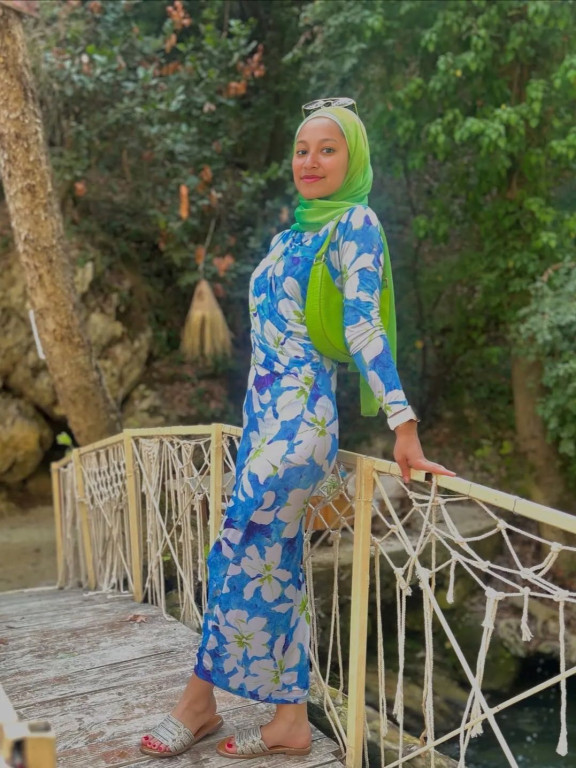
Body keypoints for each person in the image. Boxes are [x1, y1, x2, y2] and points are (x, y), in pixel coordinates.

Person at [140, 98, 455, 759]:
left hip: (302, 423)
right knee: (271, 564)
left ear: (354, 158)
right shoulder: (288, 239)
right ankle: (289, 720)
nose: (310, 161)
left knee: (239, 552)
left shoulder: (355, 224)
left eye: (327, 149)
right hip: (262, 423)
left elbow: (363, 327)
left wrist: (403, 423)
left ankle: (198, 703)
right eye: (301, 150)